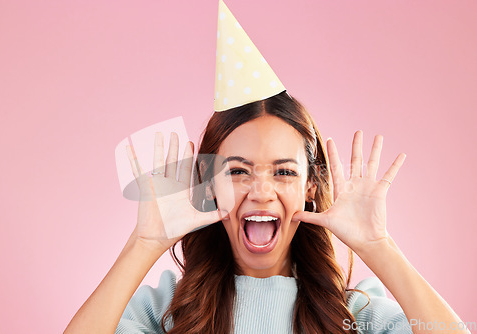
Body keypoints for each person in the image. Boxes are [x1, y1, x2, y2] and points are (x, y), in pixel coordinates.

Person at [65, 1, 469, 333]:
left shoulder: (356, 315)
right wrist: (144, 244)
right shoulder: (165, 309)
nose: (260, 192)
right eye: (238, 171)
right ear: (209, 186)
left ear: (311, 187)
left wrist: (380, 249)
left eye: (284, 172)